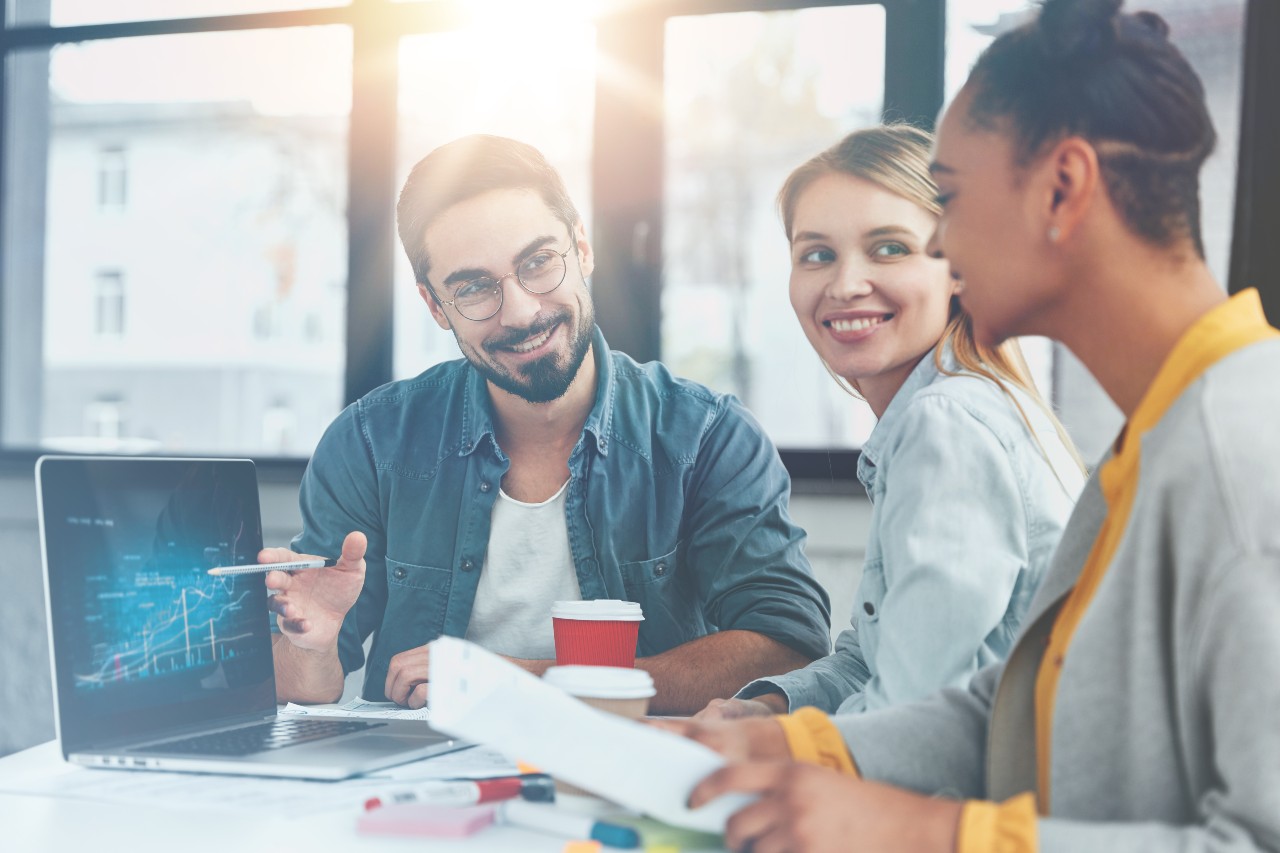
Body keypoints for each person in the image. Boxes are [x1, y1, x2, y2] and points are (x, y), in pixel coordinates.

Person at [669, 1, 1280, 850]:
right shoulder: (1156, 433)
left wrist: (934, 830)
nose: (942, 247)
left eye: (947, 201)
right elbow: (1016, 703)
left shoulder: (1240, 452)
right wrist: (790, 736)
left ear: (1061, 190)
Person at [261, 134, 832, 715]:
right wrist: (313, 646)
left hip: (629, 773)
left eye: (537, 263)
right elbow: (305, 687)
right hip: (417, 782)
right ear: (435, 306)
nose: (522, 312)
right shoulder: (370, 442)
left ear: (581, 248)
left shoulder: (706, 438)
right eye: (474, 288)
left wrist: (529, 682)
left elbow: (789, 650)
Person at [696, 125, 1084, 723]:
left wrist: (780, 749)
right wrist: (770, 708)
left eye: (890, 248)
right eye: (817, 254)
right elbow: (871, 660)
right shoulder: (944, 413)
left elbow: (907, 717)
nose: (846, 285)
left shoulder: (946, 427)